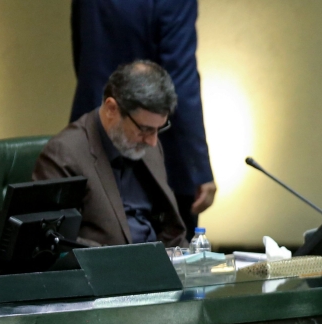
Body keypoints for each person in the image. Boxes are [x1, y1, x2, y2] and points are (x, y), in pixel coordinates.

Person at [69, 0, 216, 239]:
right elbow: (179, 82)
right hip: (156, 159)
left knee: (90, 248)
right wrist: (197, 167)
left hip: (92, 139)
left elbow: (82, 54)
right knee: (171, 256)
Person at [34, 61, 187, 247]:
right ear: (112, 108)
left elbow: (171, 232)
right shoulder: (64, 154)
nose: (153, 141)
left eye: (159, 129)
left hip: (162, 259)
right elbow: (55, 239)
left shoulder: (148, 145)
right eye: (145, 129)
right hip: (107, 262)